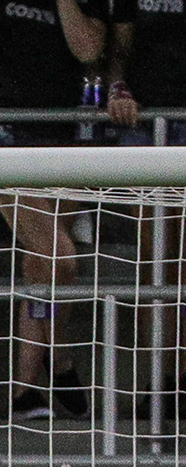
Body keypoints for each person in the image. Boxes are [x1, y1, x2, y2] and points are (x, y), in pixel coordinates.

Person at [0, 0, 107, 420]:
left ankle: (25, 388)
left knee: (41, 263)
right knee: (58, 254)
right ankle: (61, 360)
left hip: (63, 133)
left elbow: (88, 50)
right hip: (2, 132)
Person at [107, 0, 186, 421]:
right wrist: (118, 88)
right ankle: (157, 383)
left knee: (183, 267)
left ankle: (179, 385)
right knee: (154, 264)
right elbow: (119, 51)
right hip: (145, 122)